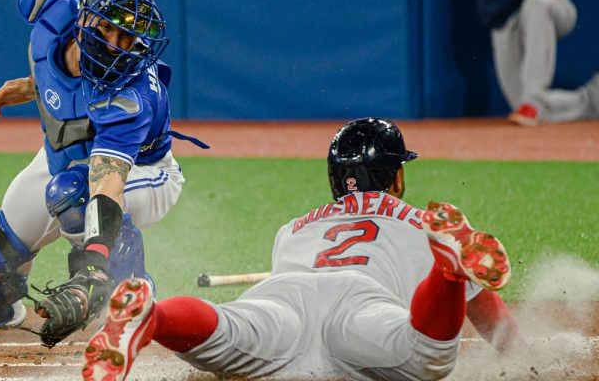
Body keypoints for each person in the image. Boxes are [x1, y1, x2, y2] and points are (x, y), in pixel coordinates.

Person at [80, 118, 523, 381]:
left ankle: (153, 316)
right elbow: (494, 322)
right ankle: (447, 273)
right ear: (396, 177)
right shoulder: (423, 225)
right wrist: (523, 355)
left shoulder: (293, 229)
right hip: (364, 306)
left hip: (285, 296)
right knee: (425, 356)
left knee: (227, 331)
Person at [0, 0, 207, 348]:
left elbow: (107, 181)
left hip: (144, 172)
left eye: (130, 33)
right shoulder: (53, 17)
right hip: (65, 157)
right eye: (108, 28)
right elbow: (62, 75)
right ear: (84, 17)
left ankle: (130, 297)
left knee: (72, 194)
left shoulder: (132, 95)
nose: (119, 43)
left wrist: (94, 263)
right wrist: (31, 87)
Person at [387, 0, 599, 125]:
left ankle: (535, 100)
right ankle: (591, 100)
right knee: (521, 106)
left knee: (537, 4)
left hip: (551, 5)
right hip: (505, 17)